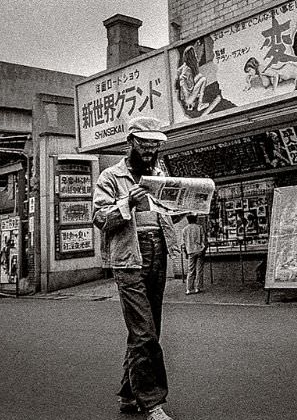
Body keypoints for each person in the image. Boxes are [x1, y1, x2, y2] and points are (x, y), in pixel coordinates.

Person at [92, 116, 181, 420]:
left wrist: (186, 204)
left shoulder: (159, 173)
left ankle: (129, 394)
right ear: (130, 142)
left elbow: (167, 213)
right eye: (144, 144)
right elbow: (100, 218)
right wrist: (127, 202)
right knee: (144, 333)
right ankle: (152, 402)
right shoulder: (110, 177)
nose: (150, 151)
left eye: (155, 145)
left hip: (158, 251)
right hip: (129, 257)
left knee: (147, 329)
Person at [176, 45, 209, 112]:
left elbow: (178, 71)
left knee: (200, 76)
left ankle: (192, 101)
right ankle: (200, 104)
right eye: (194, 53)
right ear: (192, 56)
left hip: (188, 94)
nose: (196, 55)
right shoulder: (187, 69)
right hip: (189, 98)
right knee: (203, 79)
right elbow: (187, 85)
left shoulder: (186, 65)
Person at [181, 214, 207, 295]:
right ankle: (197, 287)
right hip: (199, 250)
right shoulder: (199, 228)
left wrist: (185, 252)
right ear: (195, 219)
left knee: (190, 270)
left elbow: (183, 244)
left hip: (190, 251)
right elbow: (204, 240)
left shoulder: (184, 229)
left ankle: (188, 289)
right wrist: (203, 249)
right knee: (199, 270)